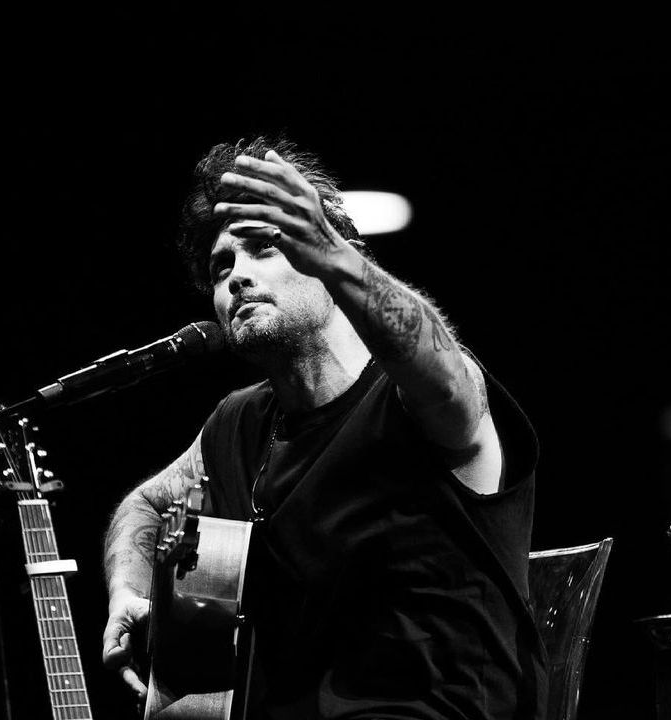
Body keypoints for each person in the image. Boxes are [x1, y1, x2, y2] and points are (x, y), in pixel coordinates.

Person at [102, 136, 548, 719]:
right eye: (221, 266)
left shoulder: (416, 395)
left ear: (332, 261)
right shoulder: (240, 423)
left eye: (264, 248)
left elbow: (442, 371)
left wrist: (335, 255)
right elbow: (146, 504)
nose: (236, 277)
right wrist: (129, 589)